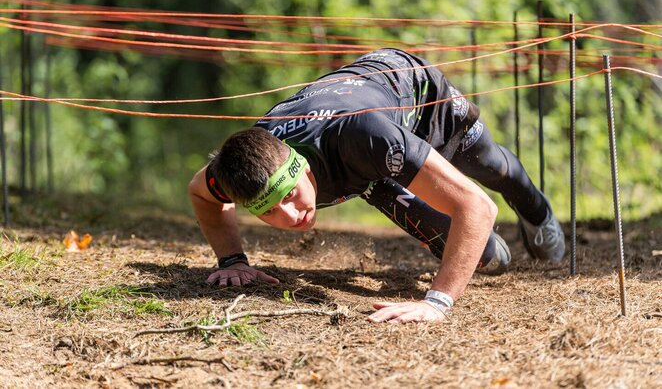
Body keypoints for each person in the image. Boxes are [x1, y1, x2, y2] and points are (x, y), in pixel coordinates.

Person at [188, 48, 565, 324]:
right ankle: (375, 184)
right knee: (489, 258)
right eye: (267, 210)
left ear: (301, 166)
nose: (291, 216)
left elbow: (479, 207)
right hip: (368, 164)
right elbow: (200, 192)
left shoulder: (365, 137)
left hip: (412, 91)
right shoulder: (240, 167)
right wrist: (233, 260)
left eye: (289, 195)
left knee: (492, 167)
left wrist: (436, 303)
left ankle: (537, 210)